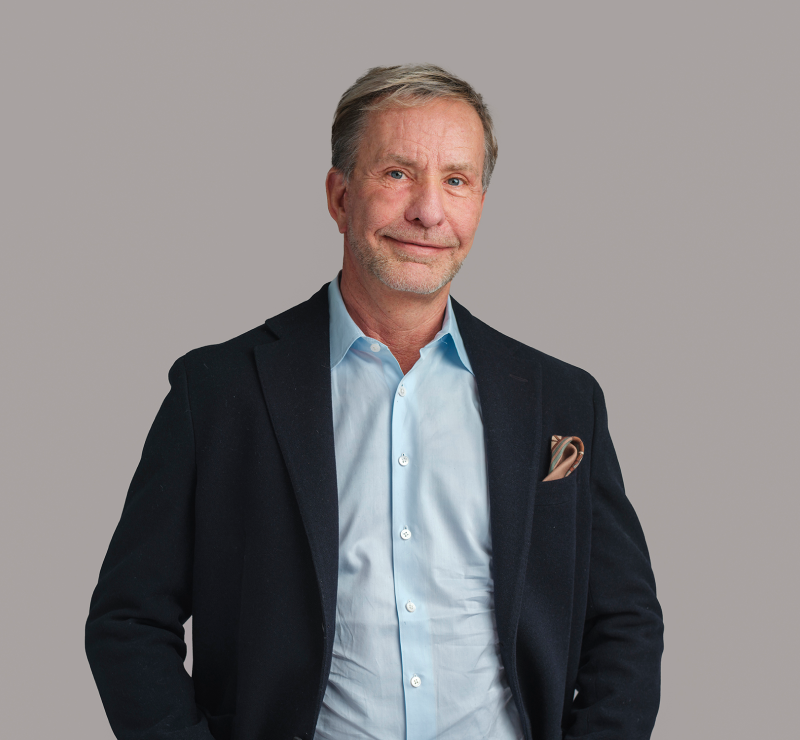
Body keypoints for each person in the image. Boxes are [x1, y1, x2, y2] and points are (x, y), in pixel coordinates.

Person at [85, 64, 663, 740]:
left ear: (480, 202)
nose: (428, 211)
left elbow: (625, 621)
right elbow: (129, 620)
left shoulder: (561, 399)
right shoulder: (217, 392)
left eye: (456, 180)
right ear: (339, 197)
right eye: (396, 173)